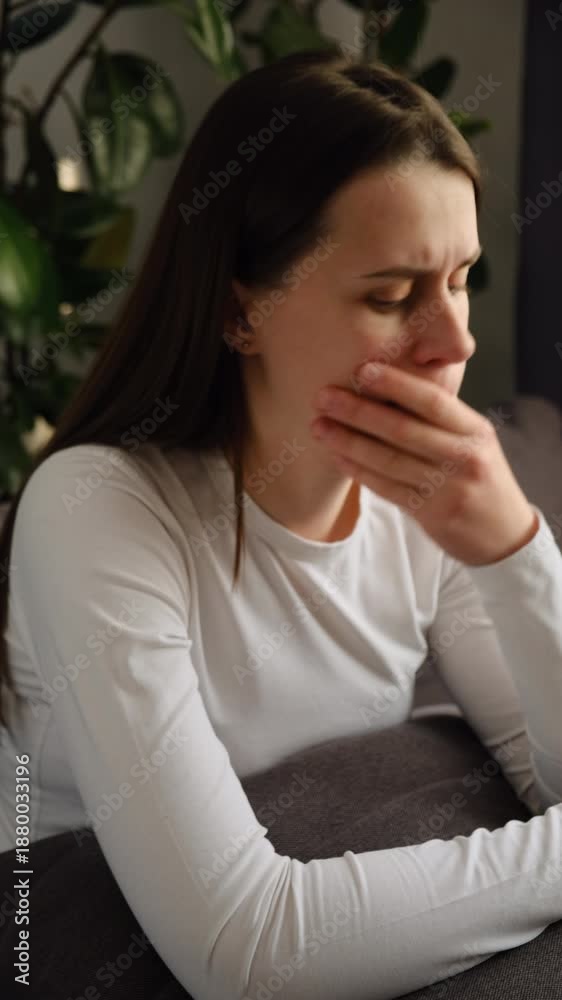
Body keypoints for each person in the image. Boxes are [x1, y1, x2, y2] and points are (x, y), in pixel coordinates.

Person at [0, 48, 561, 1000]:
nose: (456, 341)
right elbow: (243, 952)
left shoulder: (426, 502)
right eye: (392, 296)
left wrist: (515, 550)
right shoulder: (97, 507)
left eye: (463, 278)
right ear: (239, 313)